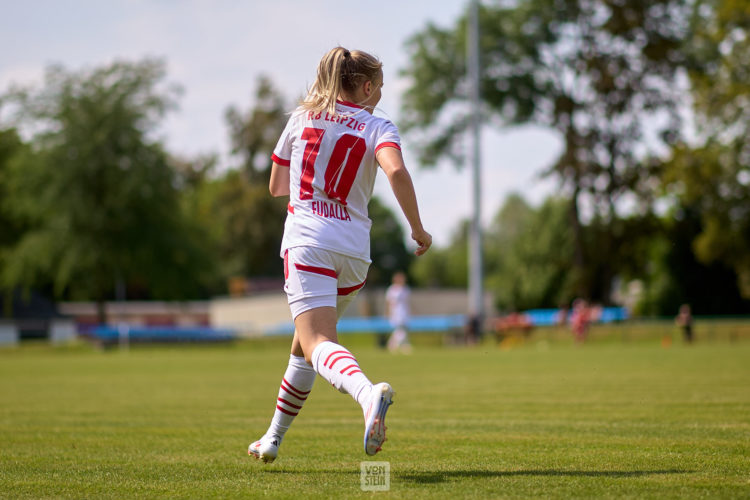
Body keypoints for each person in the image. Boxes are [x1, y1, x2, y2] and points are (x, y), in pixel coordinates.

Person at [248, 47, 432, 463]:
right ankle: (272, 437)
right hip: (353, 253)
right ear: (366, 87)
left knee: (317, 342)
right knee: (304, 346)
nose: (381, 95)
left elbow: (277, 185)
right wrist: (418, 230)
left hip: (309, 241)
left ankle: (368, 396)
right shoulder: (378, 123)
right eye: (380, 87)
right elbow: (397, 171)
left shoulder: (301, 116)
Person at [385, 272, 412, 353]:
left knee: (403, 329)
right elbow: (389, 302)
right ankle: (399, 345)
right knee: (399, 329)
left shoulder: (406, 289)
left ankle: (395, 344)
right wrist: (388, 312)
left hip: (404, 312)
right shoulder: (392, 289)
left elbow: (407, 302)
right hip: (395, 312)